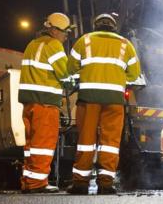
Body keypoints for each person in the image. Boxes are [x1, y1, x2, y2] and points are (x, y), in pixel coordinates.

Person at [66, 13, 141, 194]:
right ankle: (106, 184)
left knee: (85, 140)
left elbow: (71, 69)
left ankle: (80, 184)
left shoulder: (84, 41)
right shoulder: (126, 44)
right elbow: (134, 74)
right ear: (113, 26)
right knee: (110, 142)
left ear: (96, 25)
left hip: (88, 99)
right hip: (115, 100)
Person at [18, 12, 74, 194]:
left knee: (31, 145)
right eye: (65, 32)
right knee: (43, 144)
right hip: (46, 104)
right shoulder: (54, 46)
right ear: (55, 30)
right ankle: (37, 184)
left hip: (29, 103)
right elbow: (65, 75)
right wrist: (75, 82)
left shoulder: (32, 45)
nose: (66, 36)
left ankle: (28, 181)